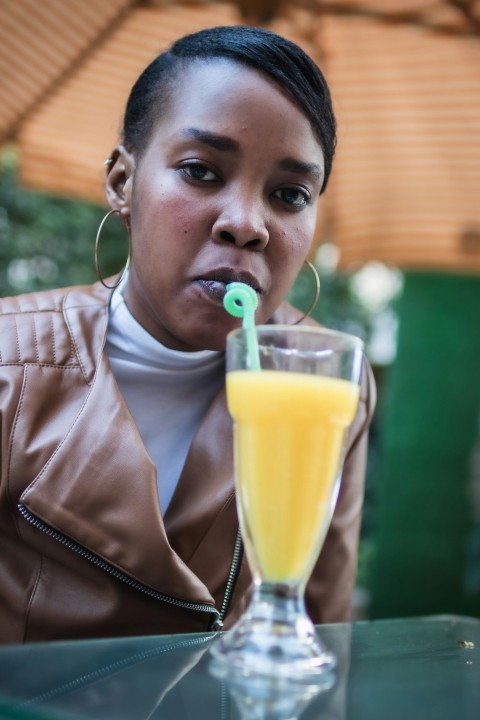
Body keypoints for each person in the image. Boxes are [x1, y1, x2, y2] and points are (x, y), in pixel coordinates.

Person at [0, 25, 376, 644]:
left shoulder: (329, 377)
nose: (246, 224)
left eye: (289, 194)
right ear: (123, 183)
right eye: (201, 171)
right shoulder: (13, 364)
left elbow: (319, 630)